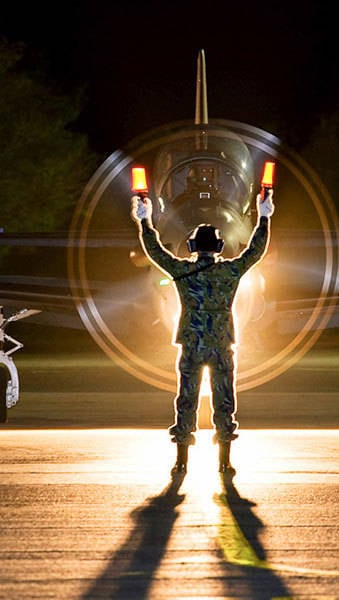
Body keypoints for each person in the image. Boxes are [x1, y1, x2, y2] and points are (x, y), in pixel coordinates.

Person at [131, 189, 275, 476]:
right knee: (224, 402)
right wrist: (264, 217)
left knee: (186, 400)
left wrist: (144, 222)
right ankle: (225, 462)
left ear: (193, 245)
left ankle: (181, 460)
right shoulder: (230, 273)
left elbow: (156, 253)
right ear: (220, 246)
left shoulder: (182, 271)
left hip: (192, 345)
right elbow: (255, 252)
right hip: (222, 345)